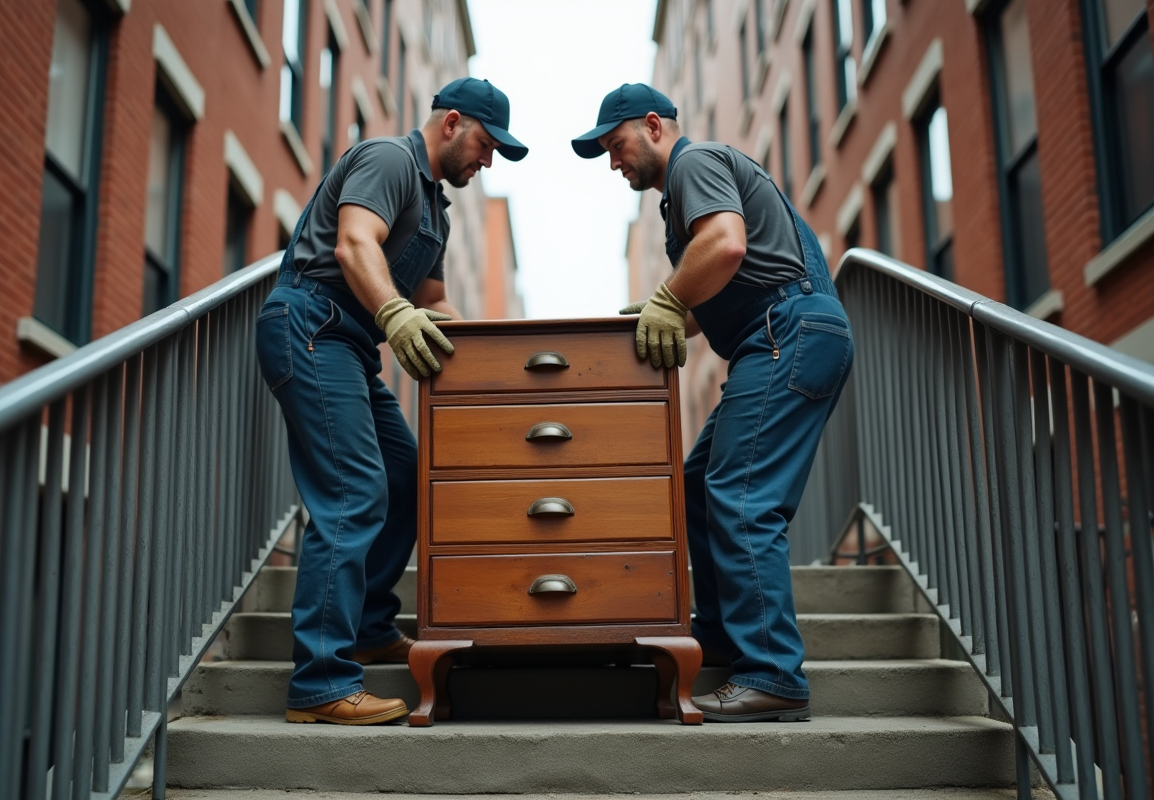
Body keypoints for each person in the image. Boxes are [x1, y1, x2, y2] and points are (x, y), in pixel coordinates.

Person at [572, 84, 853, 722]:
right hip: (779, 336)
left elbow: (726, 244)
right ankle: (724, 638)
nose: (614, 163)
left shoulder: (694, 164)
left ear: (653, 126)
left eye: (616, 146)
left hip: (787, 334)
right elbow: (723, 284)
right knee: (699, 481)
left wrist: (669, 299)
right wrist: (667, 309)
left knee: (743, 498)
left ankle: (773, 672)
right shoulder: (682, 196)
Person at [256, 78, 527, 725]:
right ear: (452, 122)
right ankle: (320, 682)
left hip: (350, 344)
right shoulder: (389, 160)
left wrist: (494, 356)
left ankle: (372, 624)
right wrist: (394, 313)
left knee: (407, 477)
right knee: (354, 491)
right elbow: (354, 242)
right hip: (312, 325)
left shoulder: (437, 208)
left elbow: (434, 301)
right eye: (486, 146)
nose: (486, 161)